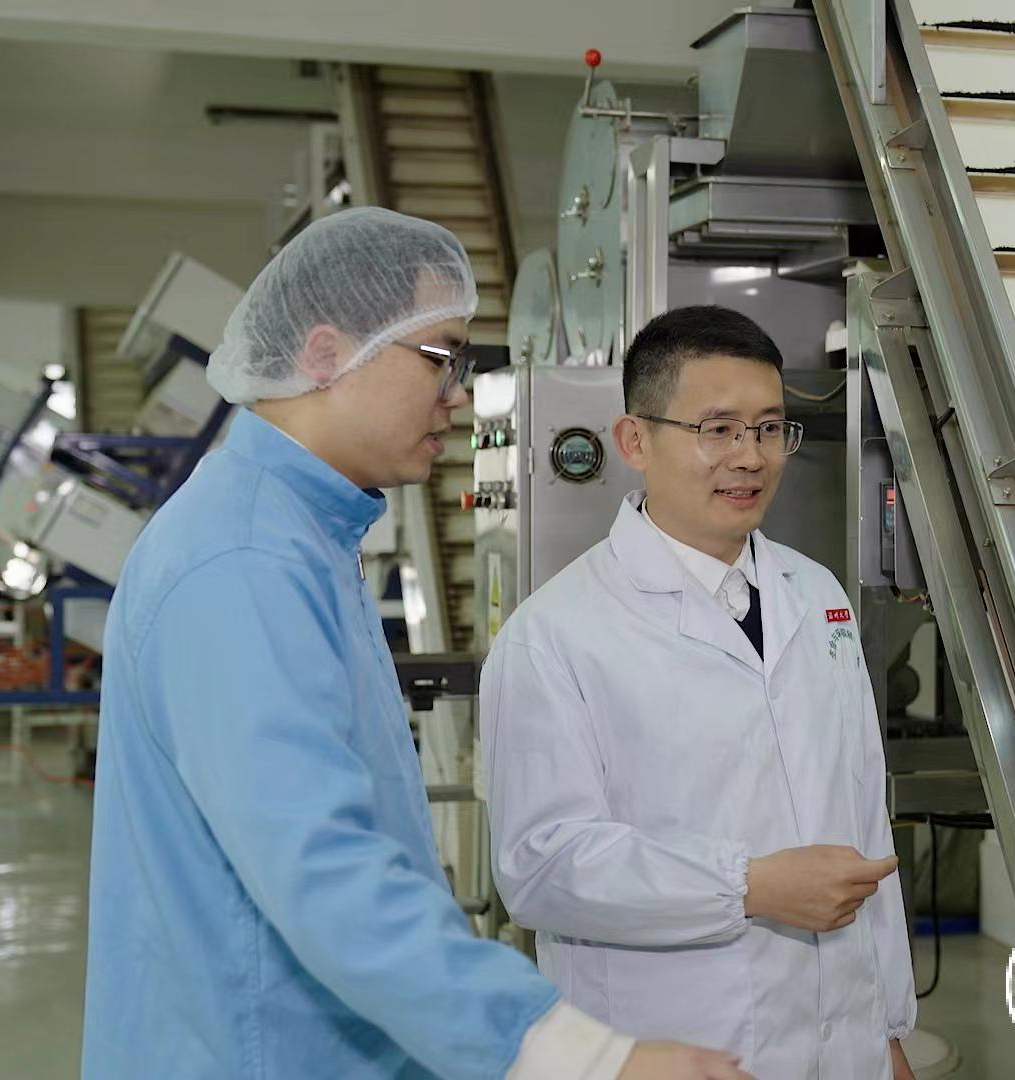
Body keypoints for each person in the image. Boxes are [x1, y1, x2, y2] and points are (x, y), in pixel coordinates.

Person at [84, 208, 750, 1080]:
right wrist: (576, 1055)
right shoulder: (244, 561)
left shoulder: (303, 534)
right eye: (441, 357)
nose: (459, 393)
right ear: (325, 354)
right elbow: (320, 866)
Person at [480, 305, 918, 1080]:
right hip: (672, 1049)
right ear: (634, 441)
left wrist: (887, 1033)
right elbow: (543, 868)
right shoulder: (553, 637)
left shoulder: (818, 596)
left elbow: (861, 820)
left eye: (769, 428)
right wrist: (748, 886)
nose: (750, 457)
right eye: (717, 430)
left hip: (843, 1051)